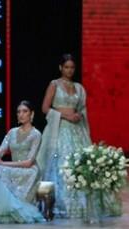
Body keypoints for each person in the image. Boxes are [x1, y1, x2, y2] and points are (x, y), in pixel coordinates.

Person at [37, 54, 122, 218]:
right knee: (60, 164)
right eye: (66, 67)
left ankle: (82, 205)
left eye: (72, 67)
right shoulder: (54, 85)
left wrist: (78, 116)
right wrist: (66, 116)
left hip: (76, 130)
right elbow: (45, 108)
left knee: (81, 164)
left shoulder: (79, 88)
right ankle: (58, 205)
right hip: (59, 129)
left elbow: (82, 109)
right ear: (60, 68)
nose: (69, 70)